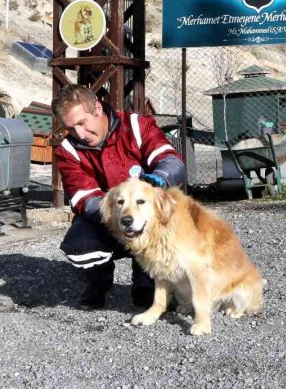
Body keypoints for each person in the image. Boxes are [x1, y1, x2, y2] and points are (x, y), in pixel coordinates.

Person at [52, 84, 187, 310]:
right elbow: (83, 199)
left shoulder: (136, 126)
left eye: (82, 123)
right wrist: (119, 215)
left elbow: (171, 161)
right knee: (80, 244)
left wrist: (160, 179)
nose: (80, 134)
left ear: (97, 108)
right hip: (108, 220)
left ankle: (146, 282)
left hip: (147, 218)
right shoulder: (67, 150)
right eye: (71, 128)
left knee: (174, 223)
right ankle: (98, 282)